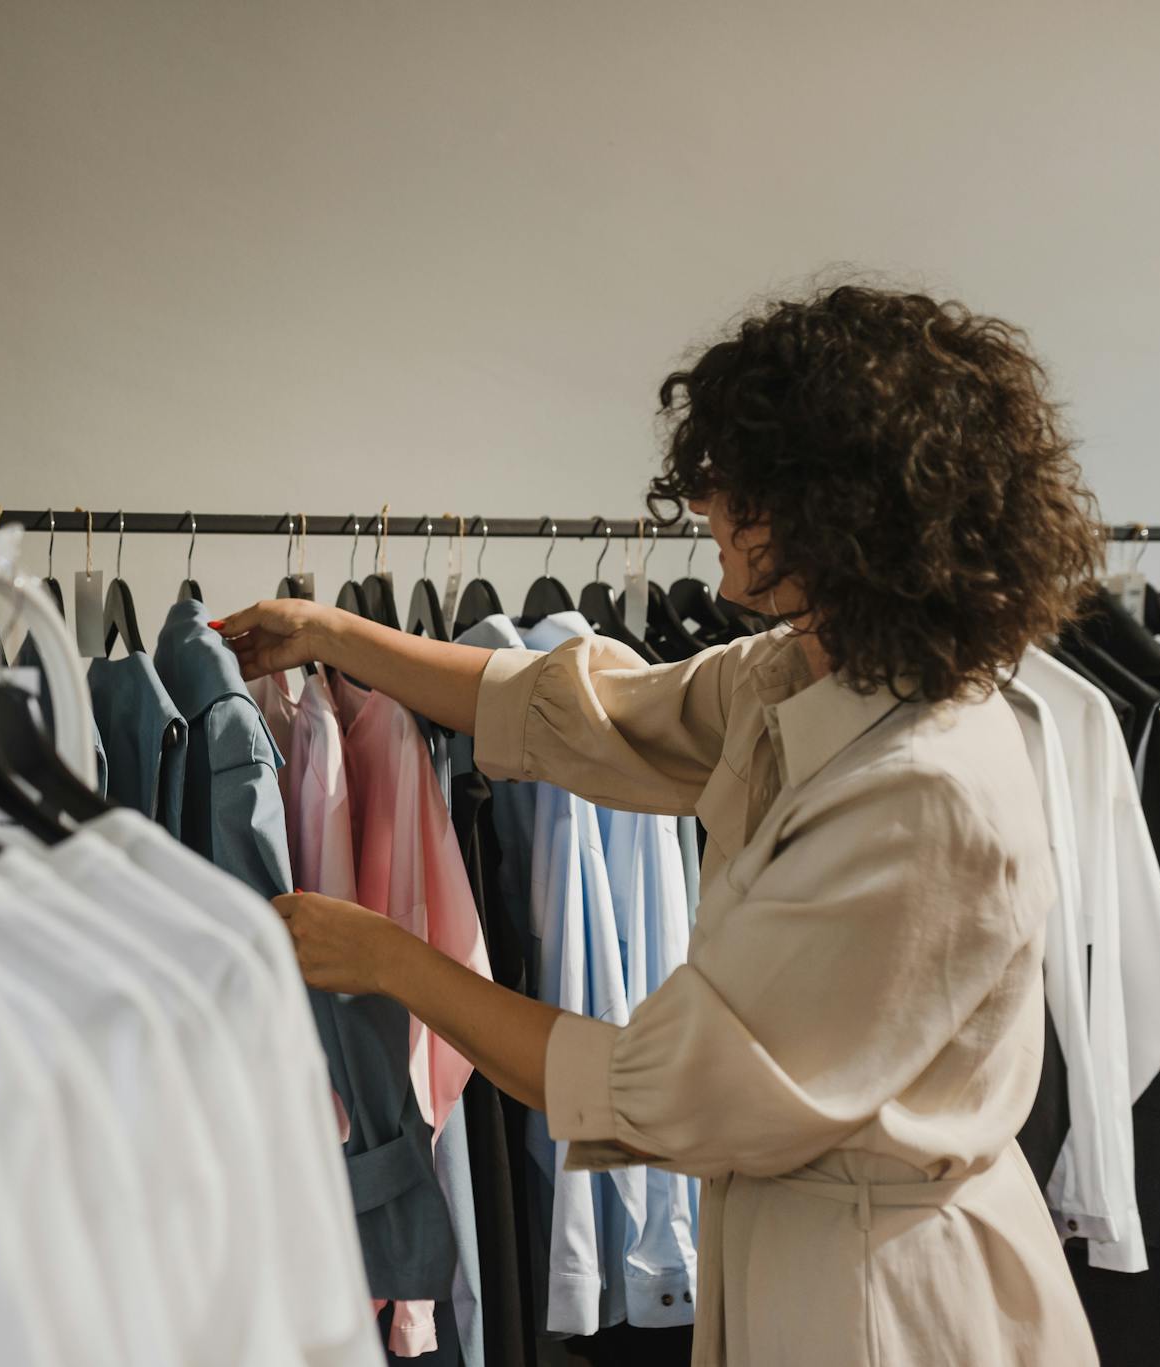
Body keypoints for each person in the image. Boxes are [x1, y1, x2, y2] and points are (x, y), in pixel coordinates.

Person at [215, 285, 1105, 1366]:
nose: (706, 501)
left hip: (887, 1299)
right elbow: (579, 713)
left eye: (735, 477)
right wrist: (333, 633)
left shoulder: (920, 790)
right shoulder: (806, 672)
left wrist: (394, 959)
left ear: (826, 508)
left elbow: (658, 1089)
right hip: (809, 1252)